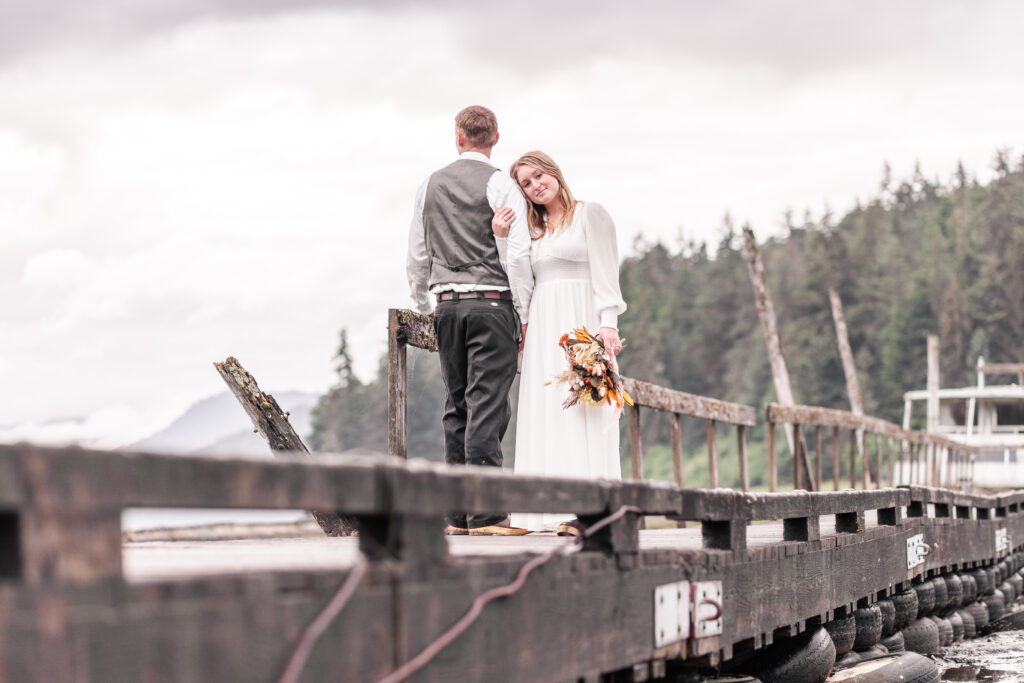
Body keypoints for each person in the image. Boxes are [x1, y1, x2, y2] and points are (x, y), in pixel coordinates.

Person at [406, 106, 533, 536]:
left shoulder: (430, 185)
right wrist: (524, 312)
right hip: (492, 303)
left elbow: (417, 254)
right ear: (495, 137)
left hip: (447, 308)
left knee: (456, 406)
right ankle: (488, 515)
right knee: (487, 405)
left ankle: (457, 516)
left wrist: (425, 304)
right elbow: (516, 255)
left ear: (458, 137)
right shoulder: (502, 184)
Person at [494, 151, 627, 535]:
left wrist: (609, 325)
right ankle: (547, 508)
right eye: (527, 183)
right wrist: (502, 240)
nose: (536, 185)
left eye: (539, 176)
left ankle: (590, 508)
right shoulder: (531, 230)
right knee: (549, 411)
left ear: (554, 173)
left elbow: (607, 272)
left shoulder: (590, 214)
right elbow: (518, 274)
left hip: (582, 319)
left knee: (588, 408)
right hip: (543, 325)